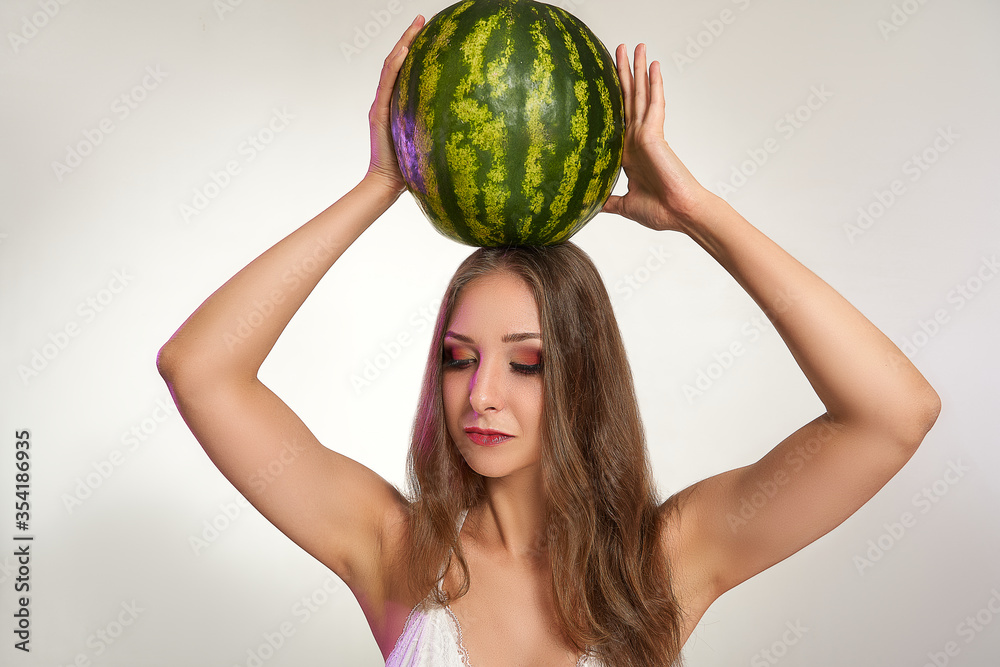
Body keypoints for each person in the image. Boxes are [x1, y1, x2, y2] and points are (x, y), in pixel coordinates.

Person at [157, 15, 941, 667]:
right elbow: (199, 370)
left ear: (582, 375)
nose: (481, 393)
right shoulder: (396, 551)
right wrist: (378, 185)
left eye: (526, 362)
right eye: (458, 357)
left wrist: (698, 212)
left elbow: (893, 412)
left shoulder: (663, 563)